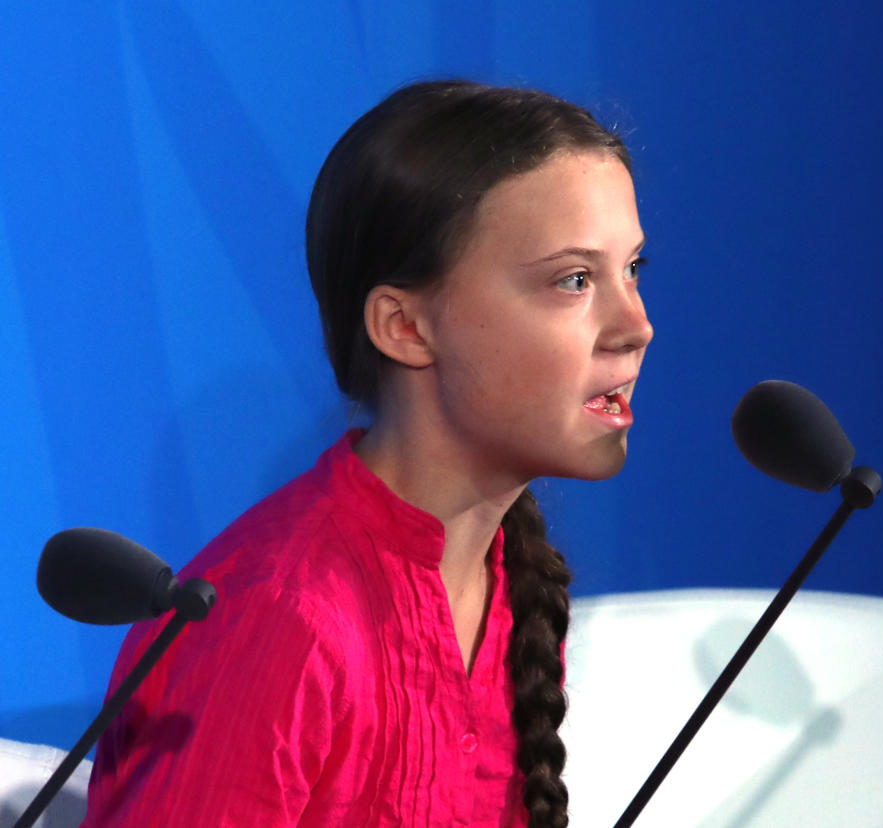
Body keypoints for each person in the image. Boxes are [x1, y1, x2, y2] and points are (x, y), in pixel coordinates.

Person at [80, 80, 653, 827]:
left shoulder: (509, 582)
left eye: (632, 270)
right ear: (405, 327)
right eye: (573, 280)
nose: (634, 325)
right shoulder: (277, 619)